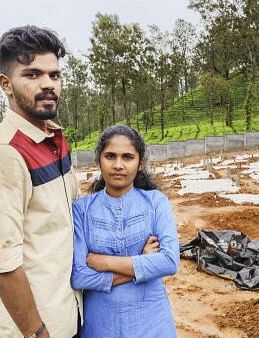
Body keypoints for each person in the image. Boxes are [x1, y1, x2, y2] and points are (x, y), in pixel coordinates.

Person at [0, 25, 81, 338]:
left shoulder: (54, 138)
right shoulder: (5, 154)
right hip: (38, 328)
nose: (48, 84)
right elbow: (4, 263)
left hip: (68, 310)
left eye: (54, 75)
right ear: (5, 84)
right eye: (32, 75)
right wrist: (38, 333)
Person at [71, 125, 180, 337]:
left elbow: (169, 261)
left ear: (140, 163)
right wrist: (141, 262)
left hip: (152, 322)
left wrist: (103, 262)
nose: (118, 165)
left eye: (128, 157)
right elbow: (79, 276)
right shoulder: (82, 210)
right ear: (99, 160)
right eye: (110, 156)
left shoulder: (155, 202)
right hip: (101, 325)